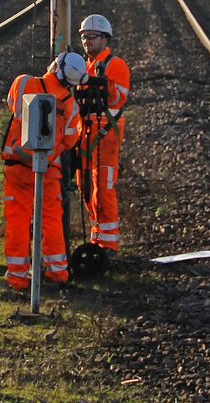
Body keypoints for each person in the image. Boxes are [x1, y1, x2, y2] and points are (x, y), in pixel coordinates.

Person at [1, 52, 86, 289]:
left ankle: (18, 278)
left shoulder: (24, 82)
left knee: (18, 218)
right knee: (51, 219)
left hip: (18, 164)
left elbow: (12, 106)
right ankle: (58, 272)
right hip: (49, 168)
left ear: (56, 67)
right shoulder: (70, 105)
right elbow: (70, 141)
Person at [76, 14, 130, 259]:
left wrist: (99, 82)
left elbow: (117, 98)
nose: (87, 41)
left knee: (103, 188)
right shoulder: (85, 66)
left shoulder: (114, 64)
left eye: (92, 37)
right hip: (85, 133)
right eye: (84, 37)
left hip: (105, 134)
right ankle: (96, 239)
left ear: (105, 38)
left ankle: (109, 247)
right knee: (85, 187)